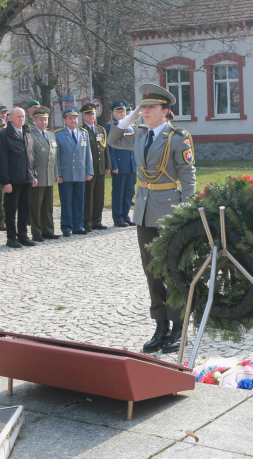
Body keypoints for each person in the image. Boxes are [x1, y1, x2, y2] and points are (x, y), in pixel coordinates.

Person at [107, 84, 196, 354]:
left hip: (169, 211)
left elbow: (188, 176)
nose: (145, 111)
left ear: (165, 111)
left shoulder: (178, 138)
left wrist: (186, 213)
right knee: (151, 271)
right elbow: (113, 139)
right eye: (143, 107)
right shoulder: (139, 134)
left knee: (173, 269)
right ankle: (160, 325)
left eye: (151, 107)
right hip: (144, 211)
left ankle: (179, 326)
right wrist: (130, 118)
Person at [0, 107, 38, 248]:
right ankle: (11, 237)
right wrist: (6, 181)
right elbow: (2, 160)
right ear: (11, 118)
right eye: (18, 116)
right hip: (13, 180)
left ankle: (23, 236)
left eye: (23, 116)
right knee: (11, 210)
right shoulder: (4, 135)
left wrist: (33, 174)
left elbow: (31, 155)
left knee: (25, 208)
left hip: (26, 177)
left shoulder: (27, 132)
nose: (21, 119)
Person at [55, 107, 93, 235]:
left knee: (79, 201)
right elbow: (57, 157)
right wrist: (58, 174)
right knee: (67, 201)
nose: (73, 120)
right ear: (65, 120)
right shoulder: (59, 135)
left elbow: (88, 154)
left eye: (75, 118)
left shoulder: (83, 134)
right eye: (70, 118)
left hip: (81, 172)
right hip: (66, 173)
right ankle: (66, 227)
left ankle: (78, 226)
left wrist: (89, 171)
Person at [29, 107, 61, 241]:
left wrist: (56, 173)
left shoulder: (51, 134)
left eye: (45, 119)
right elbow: (30, 158)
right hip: (38, 176)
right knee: (36, 206)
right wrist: (32, 176)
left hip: (49, 175)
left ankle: (48, 230)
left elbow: (54, 156)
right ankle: (36, 232)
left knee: (48, 206)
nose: (43, 122)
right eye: (41, 120)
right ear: (35, 121)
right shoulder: (31, 135)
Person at [80, 102, 110, 232]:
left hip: (100, 167)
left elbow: (105, 148)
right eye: (88, 114)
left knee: (99, 196)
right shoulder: (82, 131)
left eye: (93, 114)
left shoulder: (100, 129)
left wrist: (108, 165)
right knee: (88, 197)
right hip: (89, 169)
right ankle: (87, 222)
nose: (91, 116)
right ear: (84, 116)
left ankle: (97, 221)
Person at [106, 100, 137, 227]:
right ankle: (118, 218)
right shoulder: (111, 126)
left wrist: (135, 163)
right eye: (119, 112)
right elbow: (111, 148)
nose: (122, 114)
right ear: (113, 113)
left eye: (123, 111)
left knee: (128, 192)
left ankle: (126, 216)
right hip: (119, 165)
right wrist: (114, 165)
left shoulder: (130, 126)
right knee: (119, 193)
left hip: (130, 164)